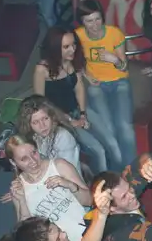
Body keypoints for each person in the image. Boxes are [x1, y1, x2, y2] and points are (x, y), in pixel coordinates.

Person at [33, 27, 107, 174]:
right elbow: (41, 103)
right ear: (54, 48)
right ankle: (102, 182)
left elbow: (79, 87)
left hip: (77, 110)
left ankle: (111, 175)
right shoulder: (42, 69)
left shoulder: (72, 60)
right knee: (99, 151)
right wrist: (70, 121)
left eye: (74, 44)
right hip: (57, 118)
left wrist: (83, 113)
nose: (72, 49)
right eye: (66, 47)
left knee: (109, 140)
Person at [75, 0, 137, 172]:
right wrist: (87, 76)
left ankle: (132, 174)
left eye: (98, 19)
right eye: (89, 21)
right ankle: (115, 174)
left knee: (125, 127)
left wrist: (115, 60)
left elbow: (124, 66)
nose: (95, 25)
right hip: (97, 85)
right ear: (82, 22)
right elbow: (73, 61)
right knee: (108, 127)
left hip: (120, 82)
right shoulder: (78, 36)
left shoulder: (114, 33)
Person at [3, 135, 90, 241]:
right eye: (24, 159)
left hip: (90, 234)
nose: (33, 161)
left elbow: (89, 201)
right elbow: (27, 236)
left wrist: (70, 185)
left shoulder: (59, 166)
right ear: (13, 162)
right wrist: (22, 201)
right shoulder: (18, 188)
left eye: (34, 153)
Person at [16, 95, 82, 176]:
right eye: (35, 122)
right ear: (28, 125)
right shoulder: (34, 137)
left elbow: (66, 173)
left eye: (45, 118)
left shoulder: (62, 136)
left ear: (52, 117)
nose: (42, 125)